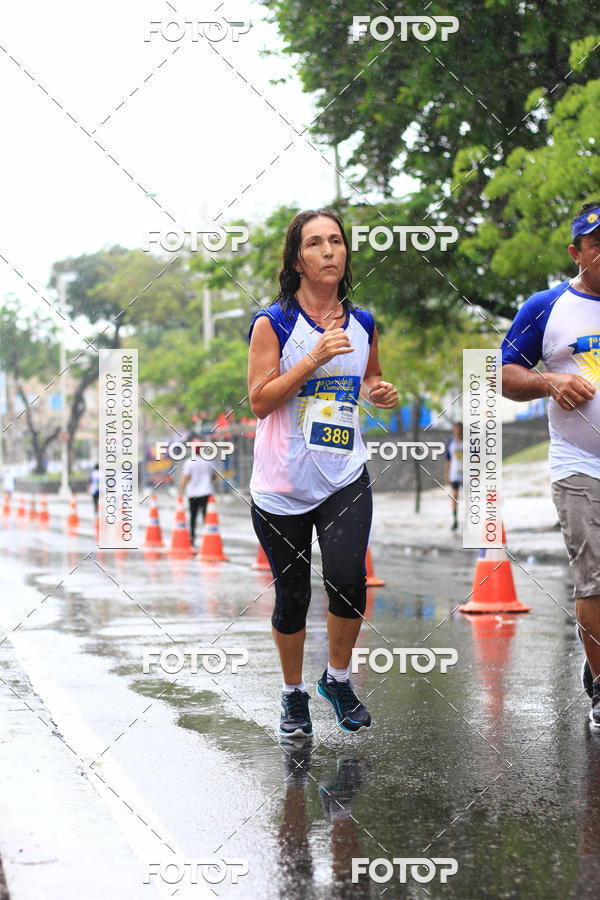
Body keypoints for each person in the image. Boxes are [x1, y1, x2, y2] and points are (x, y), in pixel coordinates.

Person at [247, 208, 398, 738]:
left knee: (349, 582)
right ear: (297, 259)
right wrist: (310, 359)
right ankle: (293, 695)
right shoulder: (274, 323)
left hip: (343, 474)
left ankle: (336, 679)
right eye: (315, 243)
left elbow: (370, 375)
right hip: (282, 484)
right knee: (293, 598)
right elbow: (259, 402)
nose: (329, 251)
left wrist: (380, 391)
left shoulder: (363, 322)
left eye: (336, 241)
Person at [501, 200, 600, 729]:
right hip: (579, 462)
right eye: (596, 242)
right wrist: (548, 381)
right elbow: (504, 374)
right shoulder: (546, 306)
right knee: (596, 579)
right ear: (576, 252)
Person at [178, 445, 217, 545]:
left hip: (193, 493)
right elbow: (214, 477)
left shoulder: (189, 462)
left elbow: (186, 477)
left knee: (193, 516)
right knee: (206, 516)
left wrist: (181, 490)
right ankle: (207, 537)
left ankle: (192, 537)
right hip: (206, 492)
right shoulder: (209, 461)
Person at [444, 421, 463, 531]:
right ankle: (455, 520)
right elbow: (448, 460)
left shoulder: (469, 442)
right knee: (454, 496)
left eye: (459, 429)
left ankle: (468, 519)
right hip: (455, 473)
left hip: (467, 472)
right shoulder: (451, 443)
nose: (458, 431)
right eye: (456, 429)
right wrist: (446, 473)